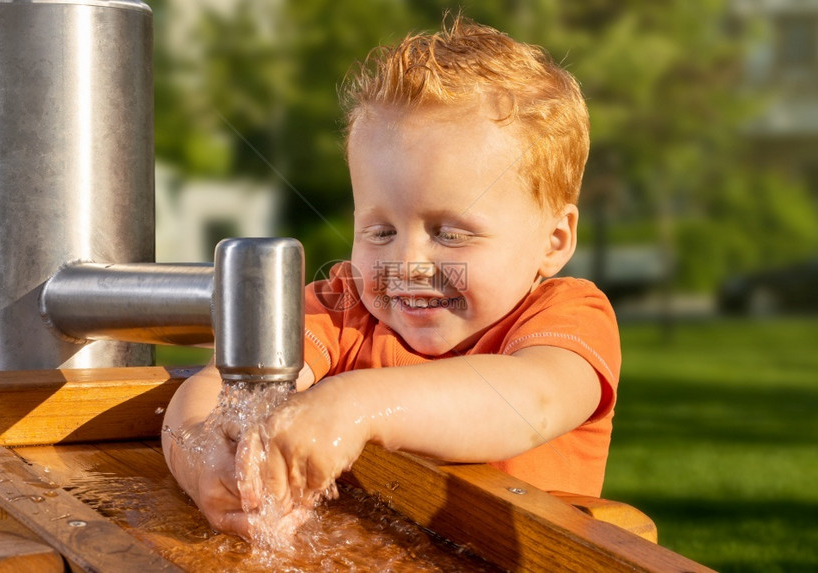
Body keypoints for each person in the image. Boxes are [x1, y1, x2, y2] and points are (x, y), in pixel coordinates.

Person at [162, 15, 620, 540]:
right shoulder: (345, 308)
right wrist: (203, 460)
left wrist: (358, 405)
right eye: (380, 231)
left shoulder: (565, 319)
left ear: (554, 240)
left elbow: (530, 401)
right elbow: (216, 391)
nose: (409, 263)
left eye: (450, 233)